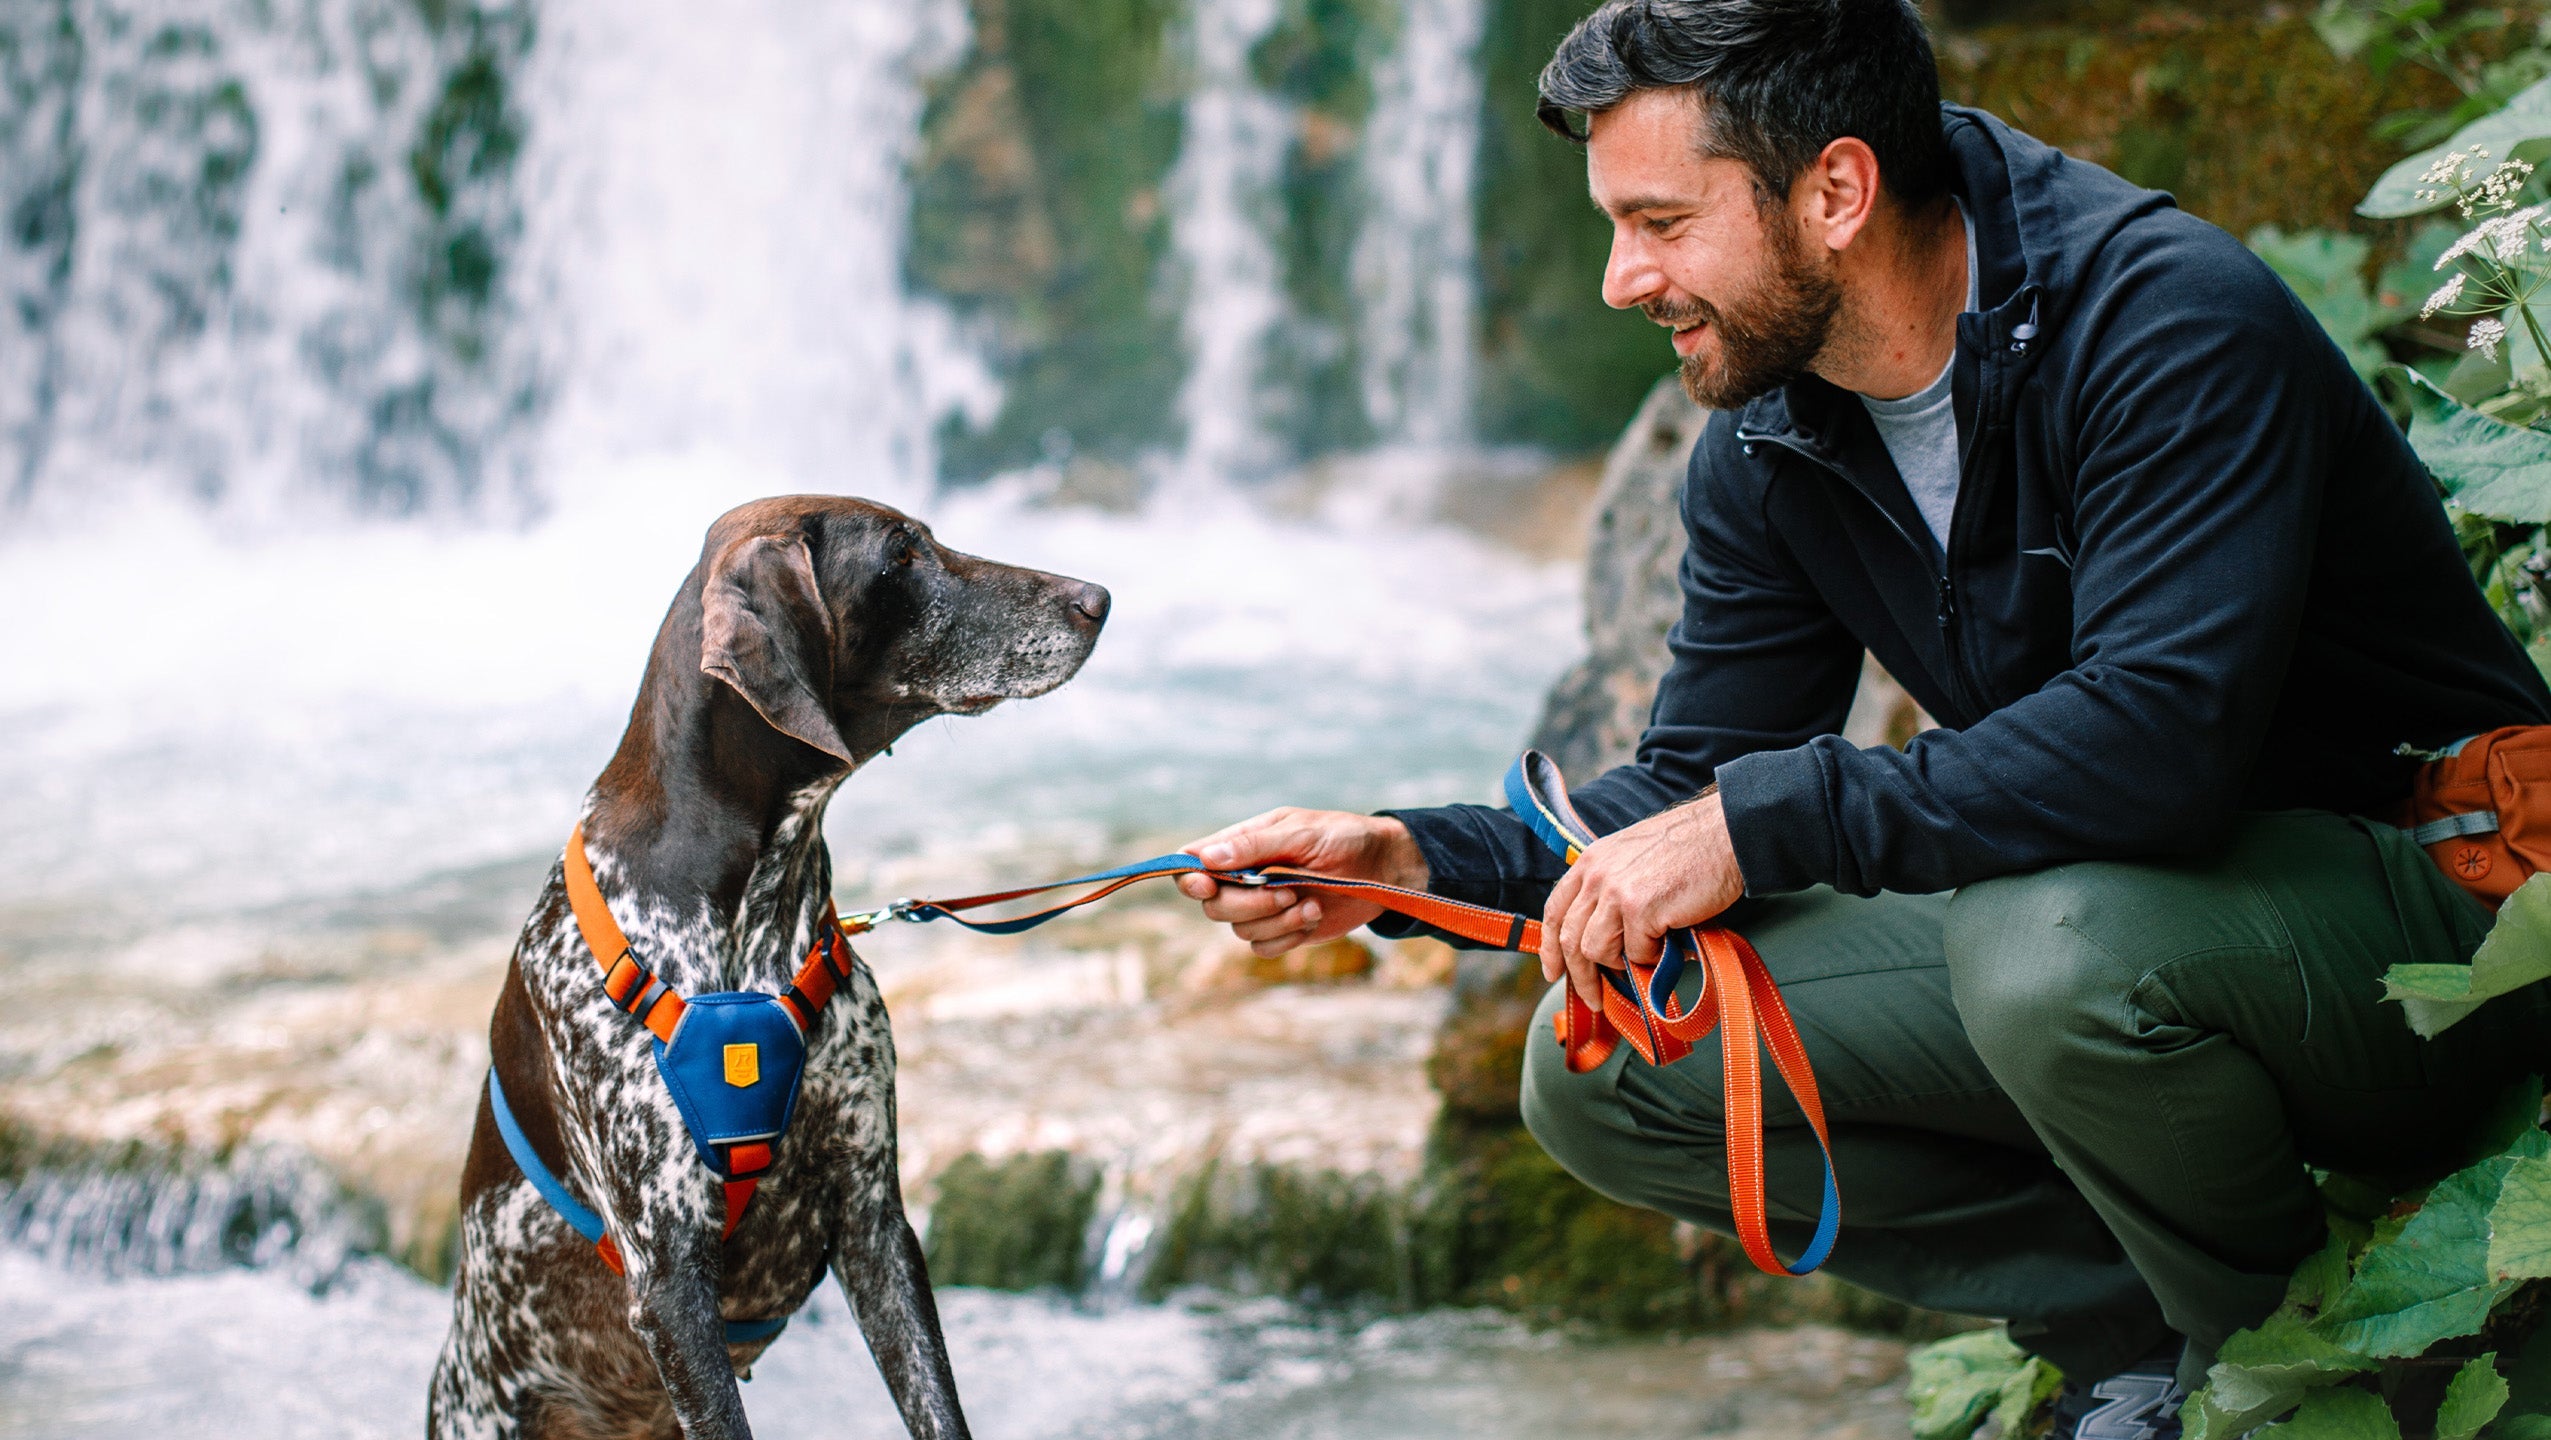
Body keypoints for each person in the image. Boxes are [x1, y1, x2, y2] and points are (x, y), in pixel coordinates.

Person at [1172, 1, 2551, 1435]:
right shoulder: (1775, 434)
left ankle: (2290, 1373)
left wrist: (1770, 821)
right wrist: (1412, 862)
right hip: (2141, 933)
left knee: (2047, 949)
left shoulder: (2164, 322)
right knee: (1613, 1065)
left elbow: (2159, 747)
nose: (1618, 279)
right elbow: (1693, 788)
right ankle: (2129, 1337)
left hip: (2442, 918)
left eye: (1657, 222)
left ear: (1834, 191)